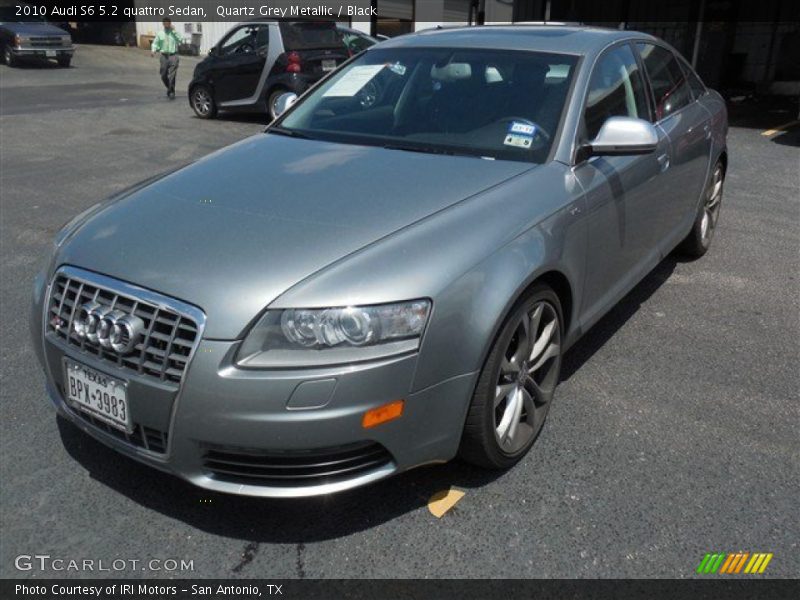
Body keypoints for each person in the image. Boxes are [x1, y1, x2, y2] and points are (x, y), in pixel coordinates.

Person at [151, 18, 182, 99]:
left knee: (172, 75)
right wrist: (153, 50)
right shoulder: (160, 34)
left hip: (173, 56)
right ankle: (170, 88)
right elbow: (155, 43)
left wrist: (174, 31)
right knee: (163, 75)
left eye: (168, 23)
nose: (167, 25)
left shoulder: (174, 33)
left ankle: (171, 91)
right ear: (163, 24)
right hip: (164, 56)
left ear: (170, 23)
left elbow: (180, 40)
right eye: (165, 23)